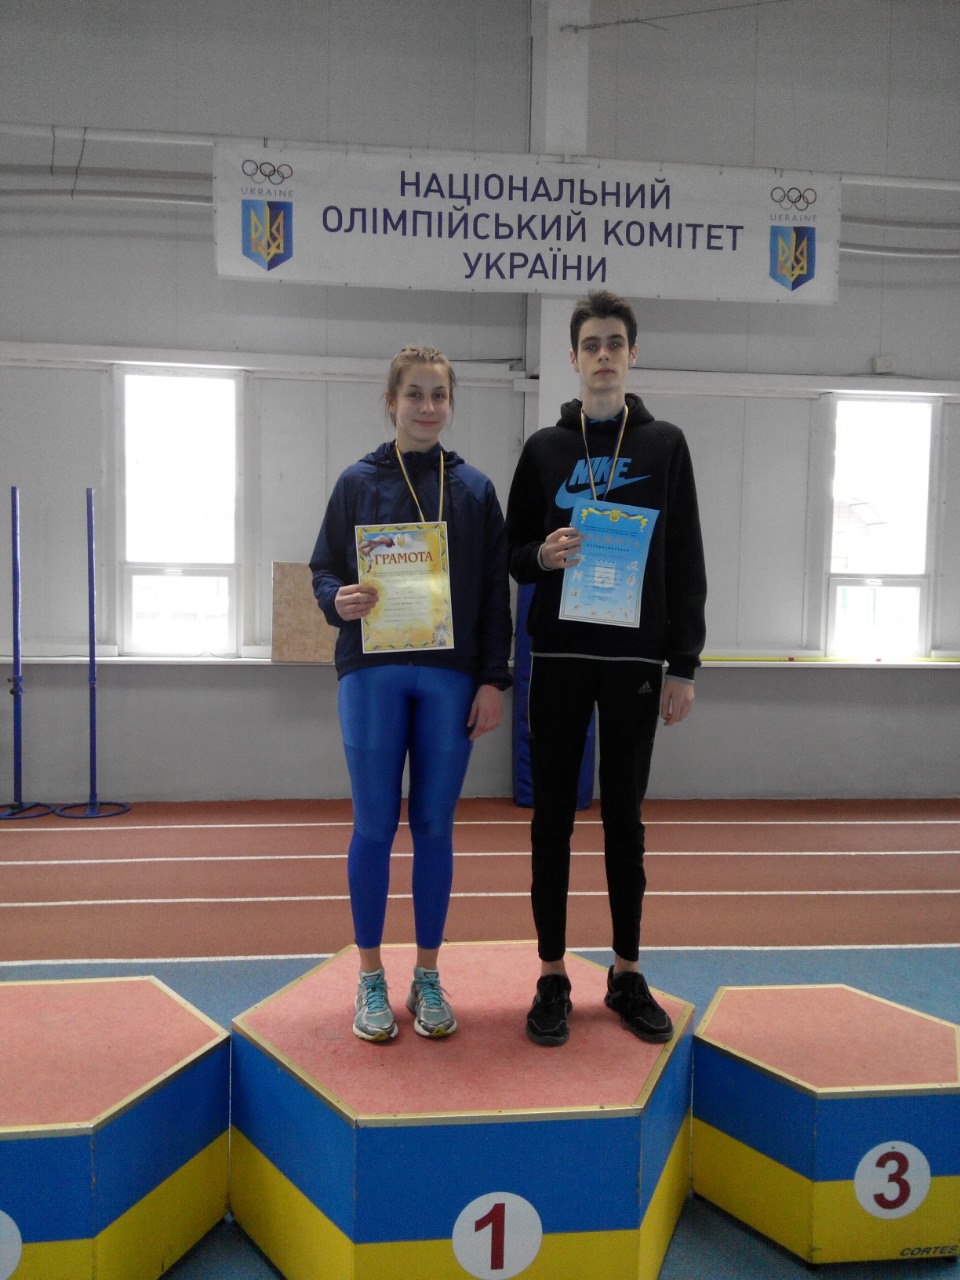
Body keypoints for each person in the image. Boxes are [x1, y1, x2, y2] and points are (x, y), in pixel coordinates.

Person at [505, 290, 706, 1048]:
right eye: (590, 344)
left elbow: (685, 557)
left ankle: (625, 973)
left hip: (635, 660)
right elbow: (512, 553)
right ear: (572, 357)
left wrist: (683, 663)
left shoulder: (665, 445)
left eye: (614, 343)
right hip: (558, 657)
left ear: (632, 353)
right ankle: (553, 975)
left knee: (625, 818)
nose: (603, 355)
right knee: (551, 820)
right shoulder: (543, 450)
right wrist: (542, 554)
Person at [311, 345, 512, 1042]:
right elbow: (323, 568)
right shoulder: (356, 482)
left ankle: (427, 973)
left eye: (438, 395)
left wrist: (493, 679)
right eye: (414, 394)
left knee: (433, 825)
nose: (427, 407)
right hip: (371, 670)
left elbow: (493, 593)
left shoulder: (475, 490)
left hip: (450, 676)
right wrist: (336, 598)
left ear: (450, 403)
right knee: (373, 825)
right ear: (390, 402)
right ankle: (369, 975)